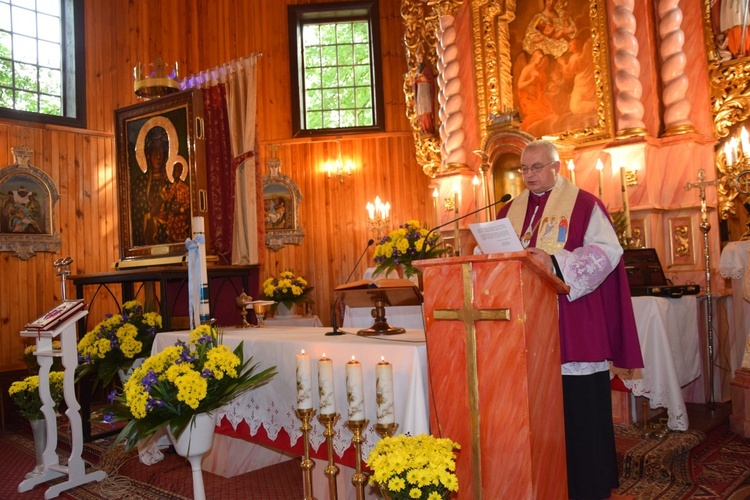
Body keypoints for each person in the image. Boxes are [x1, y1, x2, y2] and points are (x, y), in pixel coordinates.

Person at [496, 140, 643, 500]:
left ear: (556, 167)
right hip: (525, 327)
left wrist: (555, 262)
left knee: (581, 416)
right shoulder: (510, 211)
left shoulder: (584, 204)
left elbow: (608, 250)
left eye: (537, 167)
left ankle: (588, 488)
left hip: (573, 322)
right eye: (524, 169)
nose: (529, 175)